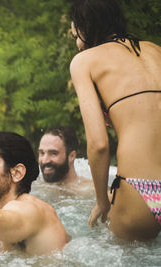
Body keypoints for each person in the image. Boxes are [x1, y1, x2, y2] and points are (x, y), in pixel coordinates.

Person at [69, 0, 161, 240]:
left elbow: (99, 144)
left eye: (74, 36)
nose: (77, 45)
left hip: (143, 188)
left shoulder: (85, 61)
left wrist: (101, 202)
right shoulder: (155, 50)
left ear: (85, 27)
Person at [38, 126, 92, 193]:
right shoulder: (35, 185)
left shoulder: (88, 191)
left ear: (72, 156)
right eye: (42, 153)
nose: (45, 161)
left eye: (53, 153)